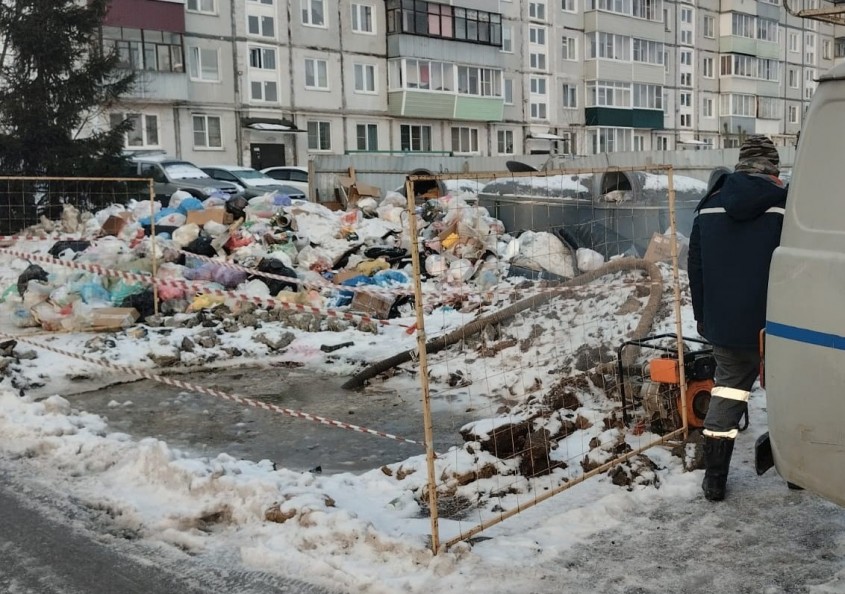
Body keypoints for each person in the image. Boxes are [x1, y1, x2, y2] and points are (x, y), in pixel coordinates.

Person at [687, 135, 788, 502]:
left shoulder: (709, 205)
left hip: (725, 327)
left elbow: (694, 267)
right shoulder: (787, 206)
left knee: (727, 395)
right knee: (789, 396)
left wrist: (703, 318)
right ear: (772, 169)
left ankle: (715, 479)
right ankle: (797, 473)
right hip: (778, 327)